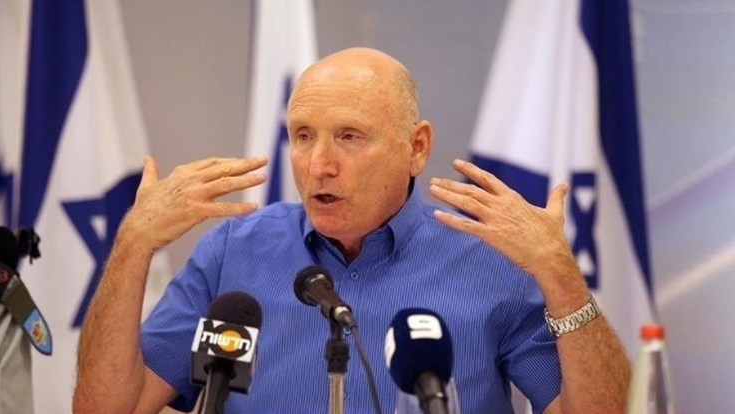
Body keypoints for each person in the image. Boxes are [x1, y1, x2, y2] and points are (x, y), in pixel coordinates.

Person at [73, 48, 630, 414]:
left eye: (349, 136)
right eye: (303, 135)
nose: (319, 165)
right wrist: (132, 246)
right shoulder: (233, 252)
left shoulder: (490, 259)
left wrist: (561, 277)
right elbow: (106, 409)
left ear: (416, 147)